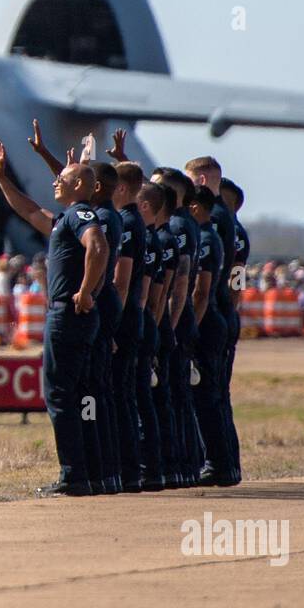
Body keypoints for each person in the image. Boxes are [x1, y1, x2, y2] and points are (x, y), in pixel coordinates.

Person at [0, 139, 108, 497]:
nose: (55, 181)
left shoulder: (80, 215)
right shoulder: (65, 220)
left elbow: (98, 246)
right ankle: (90, 470)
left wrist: (86, 290)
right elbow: (28, 211)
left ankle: (73, 474)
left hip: (69, 314)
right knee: (82, 395)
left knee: (59, 395)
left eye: (63, 178)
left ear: (79, 186)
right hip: (77, 315)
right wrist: (2, 179)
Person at [186, 157, 242, 486]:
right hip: (220, 310)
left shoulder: (214, 220)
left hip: (210, 313)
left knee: (207, 395)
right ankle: (225, 464)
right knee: (216, 396)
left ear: (203, 181)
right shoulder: (227, 217)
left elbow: (207, 280)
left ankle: (218, 463)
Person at [155, 168, 202, 486]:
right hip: (177, 317)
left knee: (170, 394)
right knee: (176, 394)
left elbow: (181, 282)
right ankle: (185, 463)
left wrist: (168, 328)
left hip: (174, 317)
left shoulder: (177, 226)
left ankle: (177, 464)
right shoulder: (186, 224)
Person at [110, 160, 150, 492]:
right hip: (135, 316)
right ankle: (132, 468)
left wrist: (110, 326)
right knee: (126, 394)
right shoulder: (136, 221)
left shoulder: (126, 223)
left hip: (123, 319)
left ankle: (126, 469)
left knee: (119, 394)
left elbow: (121, 282)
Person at [135, 181, 175, 490]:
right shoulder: (159, 238)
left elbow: (153, 295)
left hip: (145, 322)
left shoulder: (152, 239)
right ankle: (163, 468)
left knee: (139, 398)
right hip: (152, 323)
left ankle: (147, 468)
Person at [220, 178, 250, 483]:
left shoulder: (234, 235)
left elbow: (236, 282)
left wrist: (228, 308)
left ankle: (224, 464)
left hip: (222, 314)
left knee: (215, 394)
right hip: (224, 314)